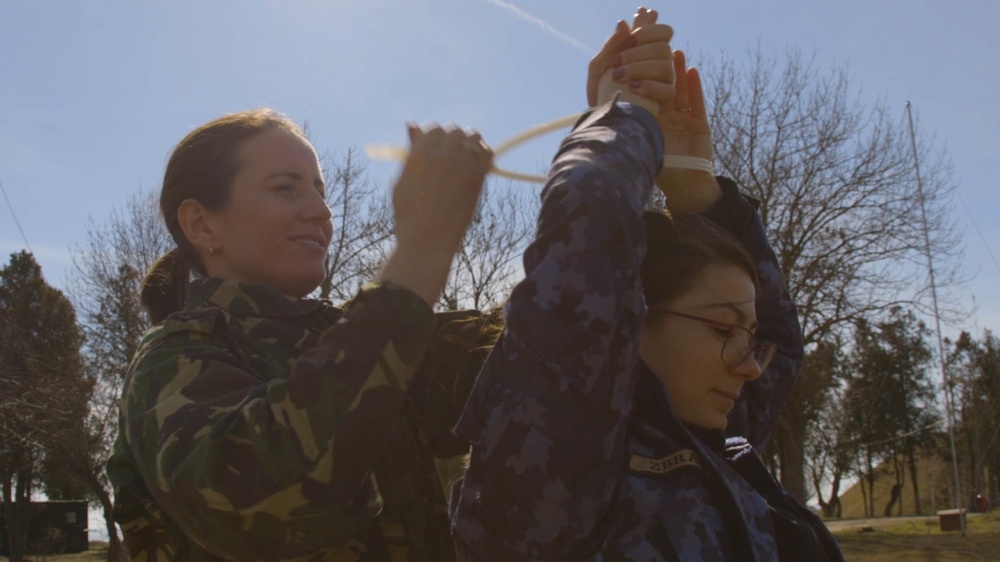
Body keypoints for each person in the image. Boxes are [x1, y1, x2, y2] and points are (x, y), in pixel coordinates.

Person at [450, 8, 845, 561]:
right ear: (629, 318)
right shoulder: (561, 464)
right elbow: (592, 223)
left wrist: (693, 184)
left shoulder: (715, 438)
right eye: (723, 329)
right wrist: (624, 117)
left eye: (749, 338)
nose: (751, 364)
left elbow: (780, 337)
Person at [105, 109, 499, 561]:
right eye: (285, 188)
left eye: (319, 190)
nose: (322, 211)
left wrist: (597, 132)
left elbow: (541, 348)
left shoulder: (357, 338)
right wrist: (422, 249)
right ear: (202, 224)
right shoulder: (170, 360)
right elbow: (270, 496)